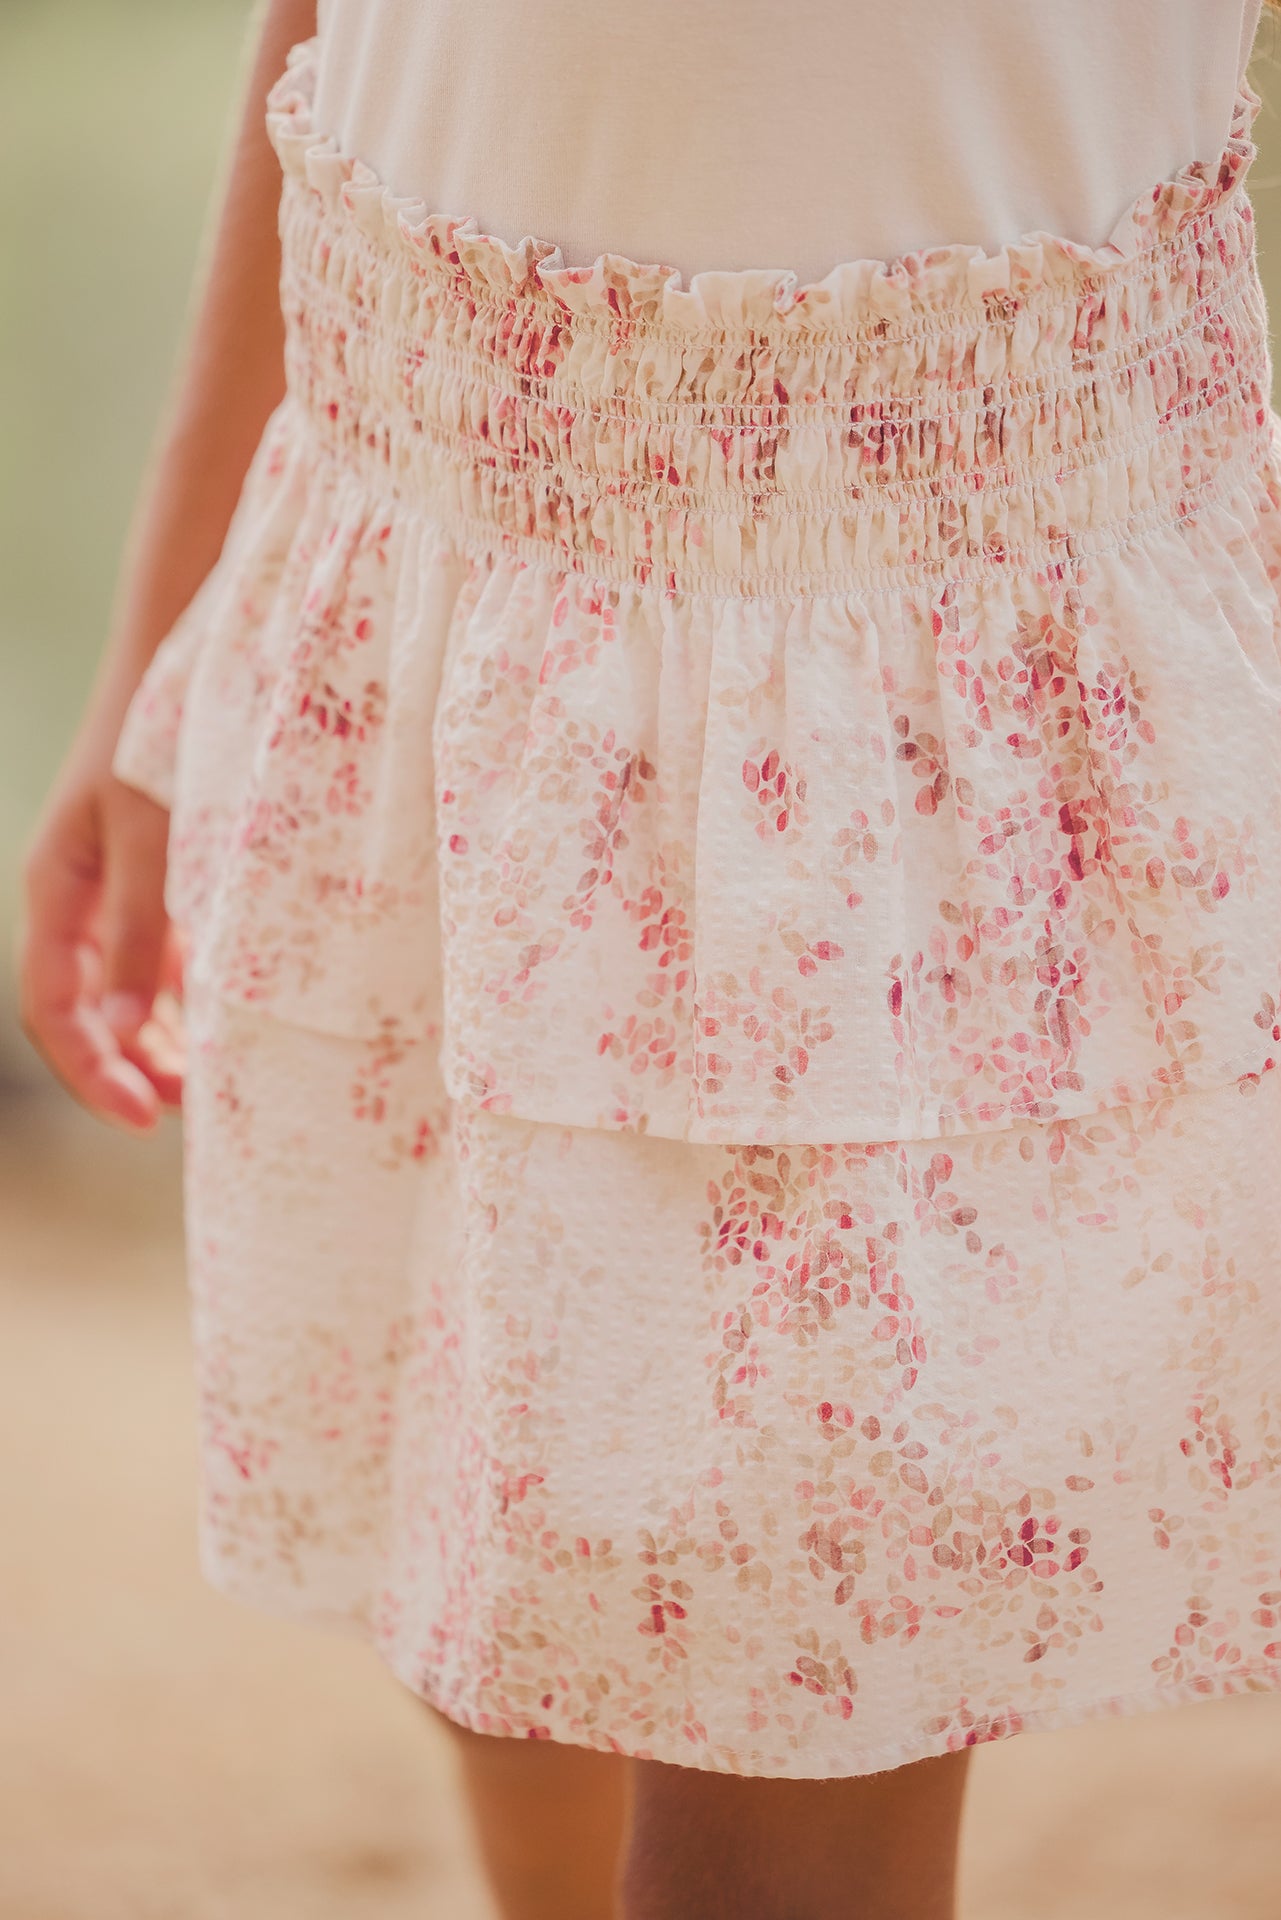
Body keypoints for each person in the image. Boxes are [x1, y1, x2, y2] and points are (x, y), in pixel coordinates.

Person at [18, 1, 1281, 1914]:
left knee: (777, 1728)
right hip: (431, 542)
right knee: (505, 1588)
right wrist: (156, 652)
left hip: (917, 658)